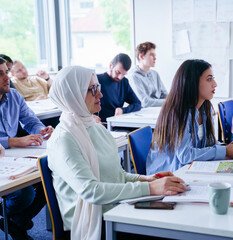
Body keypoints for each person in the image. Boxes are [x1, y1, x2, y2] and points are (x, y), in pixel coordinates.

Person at [47, 65, 186, 239]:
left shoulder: (95, 128)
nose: (100, 95)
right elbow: (92, 191)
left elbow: (117, 175)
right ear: (72, 94)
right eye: (93, 89)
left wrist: (146, 179)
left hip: (115, 208)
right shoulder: (64, 140)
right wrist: (149, 188)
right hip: (94, 222)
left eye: (98, 87)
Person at [147, 59, 233, 175]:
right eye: (209, 79)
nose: (215, 84)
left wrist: (227, 147)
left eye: (213, 78)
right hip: (170, 174)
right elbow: (185, 156)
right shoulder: (179, 112)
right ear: (193, 82)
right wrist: (225, 151)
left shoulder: (206, 108)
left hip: (190, 168)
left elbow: (208, 143)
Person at [0, 57, 53, 240]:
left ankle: (16, 221)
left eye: (6, 72)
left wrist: (41, 130)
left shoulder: (14, 95)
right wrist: (15, 141)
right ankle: (10, 217)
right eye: (0, 74)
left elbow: (29, 120)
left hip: (14, 157)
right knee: (25, 193)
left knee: (50, 176)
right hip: (5, 157)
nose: (6, 77)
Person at [97, 53, 141, 122]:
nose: (120, 77)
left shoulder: (124, 82)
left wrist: (122, 110)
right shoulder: (96, 81)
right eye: (118, 72)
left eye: (124, 74)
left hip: (117, 123)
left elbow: (137, 104)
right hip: (101, 125)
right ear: (111, 65)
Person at [129, 42, 168, 107]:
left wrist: (173, 100)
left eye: (155, 55)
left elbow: (165, 95)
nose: (155, 58)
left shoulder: (155, 74)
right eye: (151, 55)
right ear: (141, 56)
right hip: (143, 113)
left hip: (158, 110)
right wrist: (169, 102)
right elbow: (145, 102)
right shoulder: (134, 76)